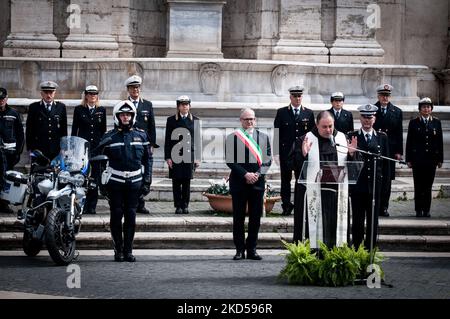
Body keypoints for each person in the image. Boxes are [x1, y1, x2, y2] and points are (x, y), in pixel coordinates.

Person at [288, 111, 358, 249]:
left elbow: (354, 168)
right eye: (324, 127)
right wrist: (303, 155)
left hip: (336, 195)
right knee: (311, 229)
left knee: (335, 227)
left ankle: (336, 256)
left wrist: (351, 155)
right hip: (312, 195)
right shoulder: (304, 140)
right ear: (316, 125)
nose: (328, 130)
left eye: (330, 126)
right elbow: (291, 165)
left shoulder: (343, 140)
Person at [99, 100, 153, 262]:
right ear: (117, 116)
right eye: (122, 114)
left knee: (131, 216)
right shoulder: (109, 137)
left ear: (133, 116)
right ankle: (118, 250)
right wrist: (101, 183)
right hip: (115, 182)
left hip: (135, 182)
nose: (125, 117)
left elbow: (148, 160)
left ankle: (128, 250)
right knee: (116, 215)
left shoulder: (141, 135)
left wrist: (147, 180)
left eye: (128, 114)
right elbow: (100, 161)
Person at [226, 108, 272, 260]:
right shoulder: (233, 137)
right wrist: (245, 174)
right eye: (246, 119)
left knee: (255, 217)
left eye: (252, 119)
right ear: (241, 120)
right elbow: (230, 161)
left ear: (255, 120)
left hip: (257, 183)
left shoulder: (264, 137)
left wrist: (257, 174)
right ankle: (239, 249)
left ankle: (252, 249)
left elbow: (267, 160)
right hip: (239, 182)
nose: (250, 121)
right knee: (238, 217)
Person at [348, 104, 390, 250]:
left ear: (374, 119)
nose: (367, 120)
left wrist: (385, 189)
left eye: (370, 117)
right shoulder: (352, 136)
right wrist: (351, 153)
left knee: (373, 221)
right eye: (364, 117)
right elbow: (347, 163)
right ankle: (357, 250)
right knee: (358, 222)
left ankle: (370, 250)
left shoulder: (382, 137)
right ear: (360, 118)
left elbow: (386, 166)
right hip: (358, 187)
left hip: (374, 187)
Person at [274, 85, 315, 215]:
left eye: (299, 96)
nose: (297, 98)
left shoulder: (308, 113)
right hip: (286, 153)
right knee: (285, 180)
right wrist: (276, 153)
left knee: (300, 179)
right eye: (295, 96)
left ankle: (299, 205)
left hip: (301, 153)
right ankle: (286, 205)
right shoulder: (281, 112)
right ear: (290, 97)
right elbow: (277, 133)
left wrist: (310, 152)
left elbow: (312, 134)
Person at [71, 85, 107, 215]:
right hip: (82, 149)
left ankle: (92, 206)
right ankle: (81, 204)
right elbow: (75, 130)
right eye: (90, 94)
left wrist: (103, 148)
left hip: (96, 149)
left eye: (95, 94)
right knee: (82, 177)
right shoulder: (79, 110)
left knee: (95, 178)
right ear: (86, 95)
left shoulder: (101, 110)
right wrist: (73, 148)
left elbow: (103, 131)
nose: (93, 96)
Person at [125, 75, 158, 215]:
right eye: (133, 88)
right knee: (132, 172)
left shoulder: (147, 105)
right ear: (128, 90)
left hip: (144, 145)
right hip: (130, 144)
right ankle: (131, 203)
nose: (135, 90)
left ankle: (140, 202)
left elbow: (152, 126)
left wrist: (152, 144)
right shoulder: (124, 105)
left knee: (145, 174)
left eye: (137, 87)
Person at [406, 97, 443, 218]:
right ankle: (418, 209)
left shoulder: (436, 122)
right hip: (418, 160)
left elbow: (439, 141)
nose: (426, 109)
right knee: (418, 185)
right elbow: (409, 142)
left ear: (431, 109)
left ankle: (426, 210)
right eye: (423, 107)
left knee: (428, 185)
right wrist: (409, 159)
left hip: (431, 160)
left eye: (428, 107)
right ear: (420, 109)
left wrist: (440, 159)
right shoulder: (414, 122)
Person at [164, 95, 201, 214]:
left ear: (190, 106)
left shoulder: (195, 120)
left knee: (186, 181)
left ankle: (185, 205)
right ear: (178, 106)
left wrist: (198, 158)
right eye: (182, 104)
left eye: (186, 104)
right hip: (175, 154)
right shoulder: (171, 120)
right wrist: (168, 157)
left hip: (189, 155)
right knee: (176, 181)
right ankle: (178, 206)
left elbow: (197, 140)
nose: (184, 106)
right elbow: (167, 140)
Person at [373, 84, 402, 217]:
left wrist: (398, 152)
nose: (385, 98)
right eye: (383, 95)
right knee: (375, 178)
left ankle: (384, 207)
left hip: (389, 150)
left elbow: (398, 133)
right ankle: (374, 206)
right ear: (378, 96)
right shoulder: (372, 110)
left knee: (387, 181)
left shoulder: (396, 111)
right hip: (376, 149)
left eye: (387, 95)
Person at [26, 81, 67, 161]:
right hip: (38, 149)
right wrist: (30, 148)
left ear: (54, 93)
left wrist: (64, 147)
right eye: (46, 92)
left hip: (55, 148)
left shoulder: (61, 107)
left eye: (51, 92)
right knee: (38, 172)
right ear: (41, 93)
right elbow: (29, 129)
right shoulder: (34, 107)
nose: (48, 95)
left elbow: (63, 129)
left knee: (56, 172)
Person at [0, 88, 24, 214]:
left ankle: (4, 204)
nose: (1, 101)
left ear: (7, 98)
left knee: (7, 180)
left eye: (3, 98)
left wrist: (18, 153)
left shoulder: (14, 114)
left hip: (9, 154)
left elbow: (20, 135)